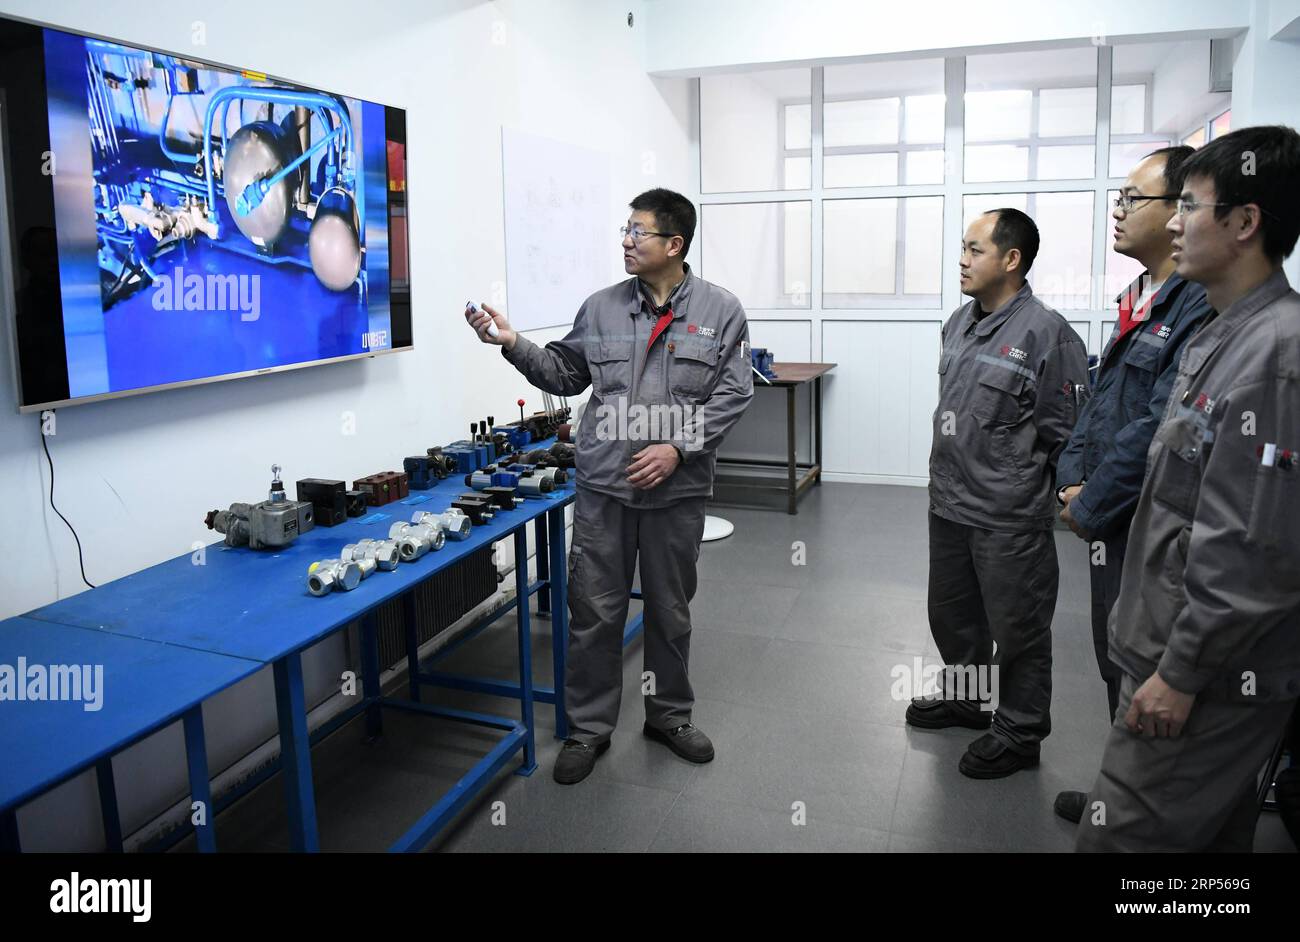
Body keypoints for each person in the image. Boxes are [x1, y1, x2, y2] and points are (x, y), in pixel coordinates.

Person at [465, 187, 754, 785]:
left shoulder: (721, 311)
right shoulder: (599, 308)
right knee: (594, 612)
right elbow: (565, 374)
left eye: (638, 231)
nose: (625, 240)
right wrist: (513, 343)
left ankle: (669, 715)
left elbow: (734, 392)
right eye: (625, 229)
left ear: (674, 244)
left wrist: (678, 447)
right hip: (604, 487)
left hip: (677, 492)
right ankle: (589, 728)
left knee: (670, 611)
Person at [1076, 125, 1300, 852]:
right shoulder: (1223, 333)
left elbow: (1252, 549)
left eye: (1191, 206)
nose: (1174, 221)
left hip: (1206, 674)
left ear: (1243, 223)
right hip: (1177, 646)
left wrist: (1179, 673)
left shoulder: (1275, 356)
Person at [1051, 147, 1213, 824]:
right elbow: (1101, 401)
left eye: (1130, 198)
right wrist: (1071, 474)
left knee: (1148, 666)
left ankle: (1146, 816)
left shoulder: (1200, 305)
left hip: (1150, 522)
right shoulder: (1138, 297)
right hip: (1111, 518)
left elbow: (1158, 425)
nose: (1116, 211)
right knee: (1116, 656)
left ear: (1179, 209)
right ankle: (1123, 795)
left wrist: (1090, 499)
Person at [910, 208, 1089, 779]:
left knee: (1018, 628)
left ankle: (1018, 731)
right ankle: (967, 701)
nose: (961, 260)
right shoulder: (960, 321)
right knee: (954, 617)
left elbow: (1069, 433)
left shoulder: (1048, 334)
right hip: (950, 502)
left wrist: (1071, 495)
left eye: (974, 249)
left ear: (1011, 260)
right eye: (962, 248)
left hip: (1008, 515)